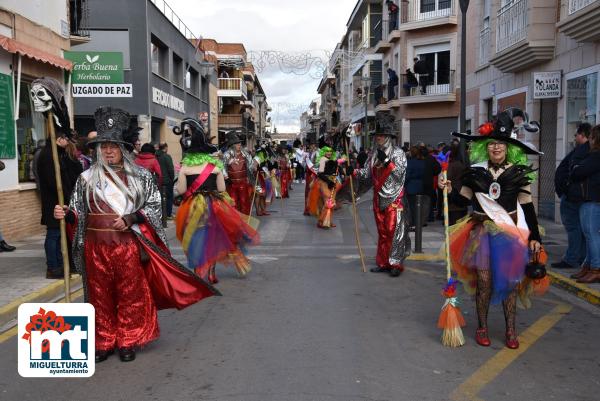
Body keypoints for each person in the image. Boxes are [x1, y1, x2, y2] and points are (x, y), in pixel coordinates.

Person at [54, 107, 219, 363]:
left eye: (113, 146)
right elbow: (79, 212)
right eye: (103, 146)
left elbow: (154, 206)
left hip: (126, 245)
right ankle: (104, 340)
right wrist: (66, 213)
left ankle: (128, 338)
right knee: (99, 295)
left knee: (130, 293)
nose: (108, 151)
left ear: (124, 148)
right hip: (95, 246)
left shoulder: (140, 177)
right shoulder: (86, 178)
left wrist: (131, 218)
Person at [442, 110, 544, 349]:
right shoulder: (476, 172)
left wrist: (535, 237)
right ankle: (482, 327)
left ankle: (510, 331)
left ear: (510, 148)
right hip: (482, 235)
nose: (497, 148)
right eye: (492, 144)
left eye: (502, 144)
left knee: (510, 283)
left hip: (508, 234)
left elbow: (528, 209)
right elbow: (460, 200)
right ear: (485, 147)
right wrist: (447, 189)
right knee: (484, 282)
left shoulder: (518, 174)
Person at [173, 118, 260, 284]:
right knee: (213, 237)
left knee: (195, 236)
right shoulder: (215, 166)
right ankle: (212, 273)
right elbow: (221, 189)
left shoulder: (185, 167)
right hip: (214, 204)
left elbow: (181, 191)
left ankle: (199, 270)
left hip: (193, 205)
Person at [348, 115, 410, 277]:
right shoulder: (374, 154)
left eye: (381, 135)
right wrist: (353, 171)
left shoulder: (398, 153)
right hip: (378, 199)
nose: (378, 138)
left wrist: (388, 161)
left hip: (394, 199)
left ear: (389, 137)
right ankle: (383, 262)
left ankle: (395, 263)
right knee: (382, 232)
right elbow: (367, 174)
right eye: (377, 136)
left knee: (395, 231)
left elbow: (400, 174)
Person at [37, 134, 83, 279]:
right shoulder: (49, 155)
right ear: (59, 139)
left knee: (59, 234)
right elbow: (53, 181)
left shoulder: (57, 154)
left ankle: (61, 264)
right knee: (54, 234)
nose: (68, 141)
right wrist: (64, 196)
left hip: (62, 200)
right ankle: (53, 267)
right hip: (54, 201)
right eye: (66, 138)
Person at [552, 122, 591, 270]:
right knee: (580, 229)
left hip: (573, 197)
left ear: (582, 135)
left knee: (574, 228)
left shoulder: (583, 151)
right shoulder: (582, 150)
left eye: (576, 135)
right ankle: (579, 257)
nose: (574, 138)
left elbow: (575, 172)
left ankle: (572, 258)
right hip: (574, 195)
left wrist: (565, 190)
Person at [568, 124, 600, 283]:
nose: (590, 141)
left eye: (592, 137)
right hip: (593, 199)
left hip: (592, 199)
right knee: (590, 235)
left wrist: (575, 167)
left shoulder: (596, 156)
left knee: (591, 234)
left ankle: (596, 268)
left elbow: (578, 172)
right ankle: (588, 266)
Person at [222, 132, 256, 215]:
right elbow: (222, 167)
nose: (239, 145)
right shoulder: (226, 155)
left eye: (240, 143)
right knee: (233, 201)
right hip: (232, 183)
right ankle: (235, 220)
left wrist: (254, 166)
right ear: (233, 145)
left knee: (244, 201)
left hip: (243, 182)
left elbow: (251, 165)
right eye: (237, 144)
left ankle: (245, 219)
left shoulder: (245, 154)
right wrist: (226, 177)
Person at [308, 160, 342, 229]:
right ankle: (322, 221)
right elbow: (319, 174)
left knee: (331, 203)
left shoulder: (335, 163)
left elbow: (340, 173)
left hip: (333, 184)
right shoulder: (322, 162)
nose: (329, 153)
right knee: (327, 202)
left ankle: (327, 221)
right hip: (323, 183)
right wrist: (328, 181)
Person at [446, 142, 468, 225]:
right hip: (459, 198)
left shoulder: (453, 165)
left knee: (455, 226)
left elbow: (447, 178)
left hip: (455, 199)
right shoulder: (460, 164)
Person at [405, 146, 425, 230]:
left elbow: (407, 175)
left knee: (412, 207)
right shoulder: (422, 162)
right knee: (419, 206)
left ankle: (413, 224)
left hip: (411, 186)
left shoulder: (410, 162)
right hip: (420, 185)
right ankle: (418, 223)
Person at [156, 142, 175, 219]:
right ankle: (168, 214)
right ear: (166, 147)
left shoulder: (155, 156)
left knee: (160, 198)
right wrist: (172, 179)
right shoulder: (167, 156)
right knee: (169, 197)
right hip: (167, 181)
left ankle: (161, 214)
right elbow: (171, 169)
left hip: (158, 180)